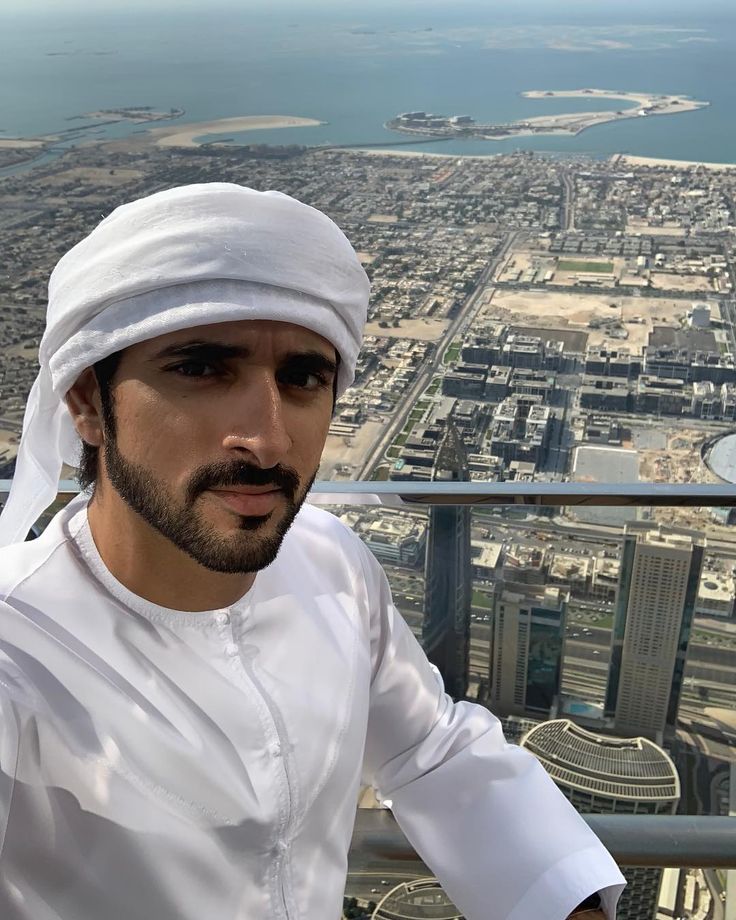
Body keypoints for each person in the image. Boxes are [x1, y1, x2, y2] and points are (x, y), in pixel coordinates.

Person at [0, 184, 624, 919]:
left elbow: (428, 747)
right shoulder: (19, 650)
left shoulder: (329, 558)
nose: (266, 439)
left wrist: (568, 901)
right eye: (202, 369)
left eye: (302, 378)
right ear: (85, 403)